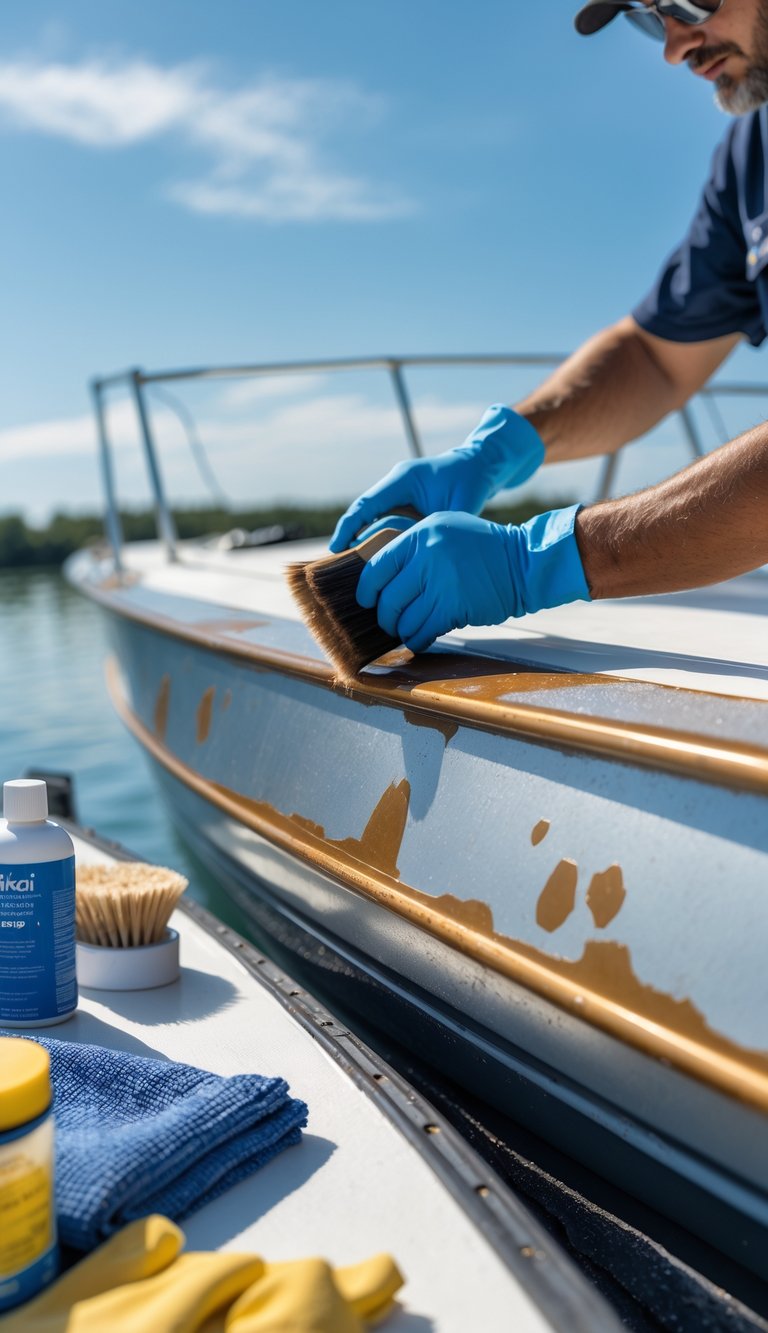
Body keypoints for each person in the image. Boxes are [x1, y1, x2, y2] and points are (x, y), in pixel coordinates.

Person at [329, 0, 768, 656]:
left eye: (686, 0)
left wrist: (544, 562)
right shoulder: (750, 155)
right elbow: (656, 357)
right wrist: (502, 447)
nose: (675, 47)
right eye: (651, 19)